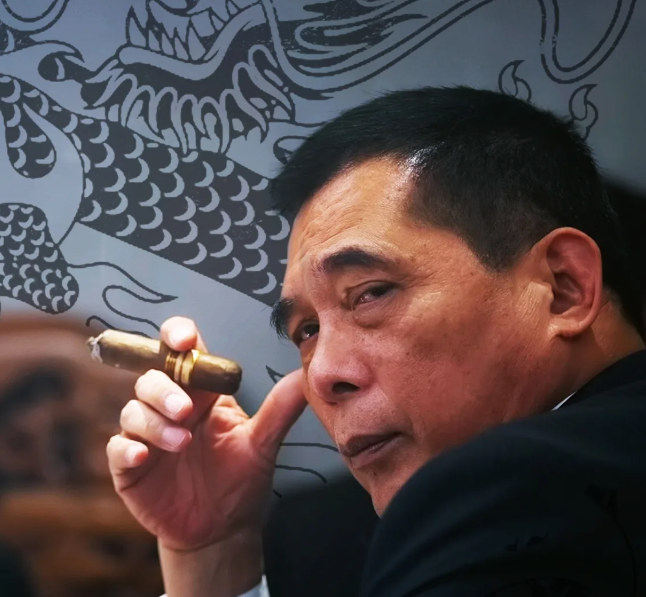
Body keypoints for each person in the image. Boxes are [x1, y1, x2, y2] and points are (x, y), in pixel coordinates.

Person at [106, 86, 646, 596]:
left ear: (563, 286)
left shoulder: (500, 493)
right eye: (307, 331)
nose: (322, 374)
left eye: (370, 293)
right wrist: (213, 554)